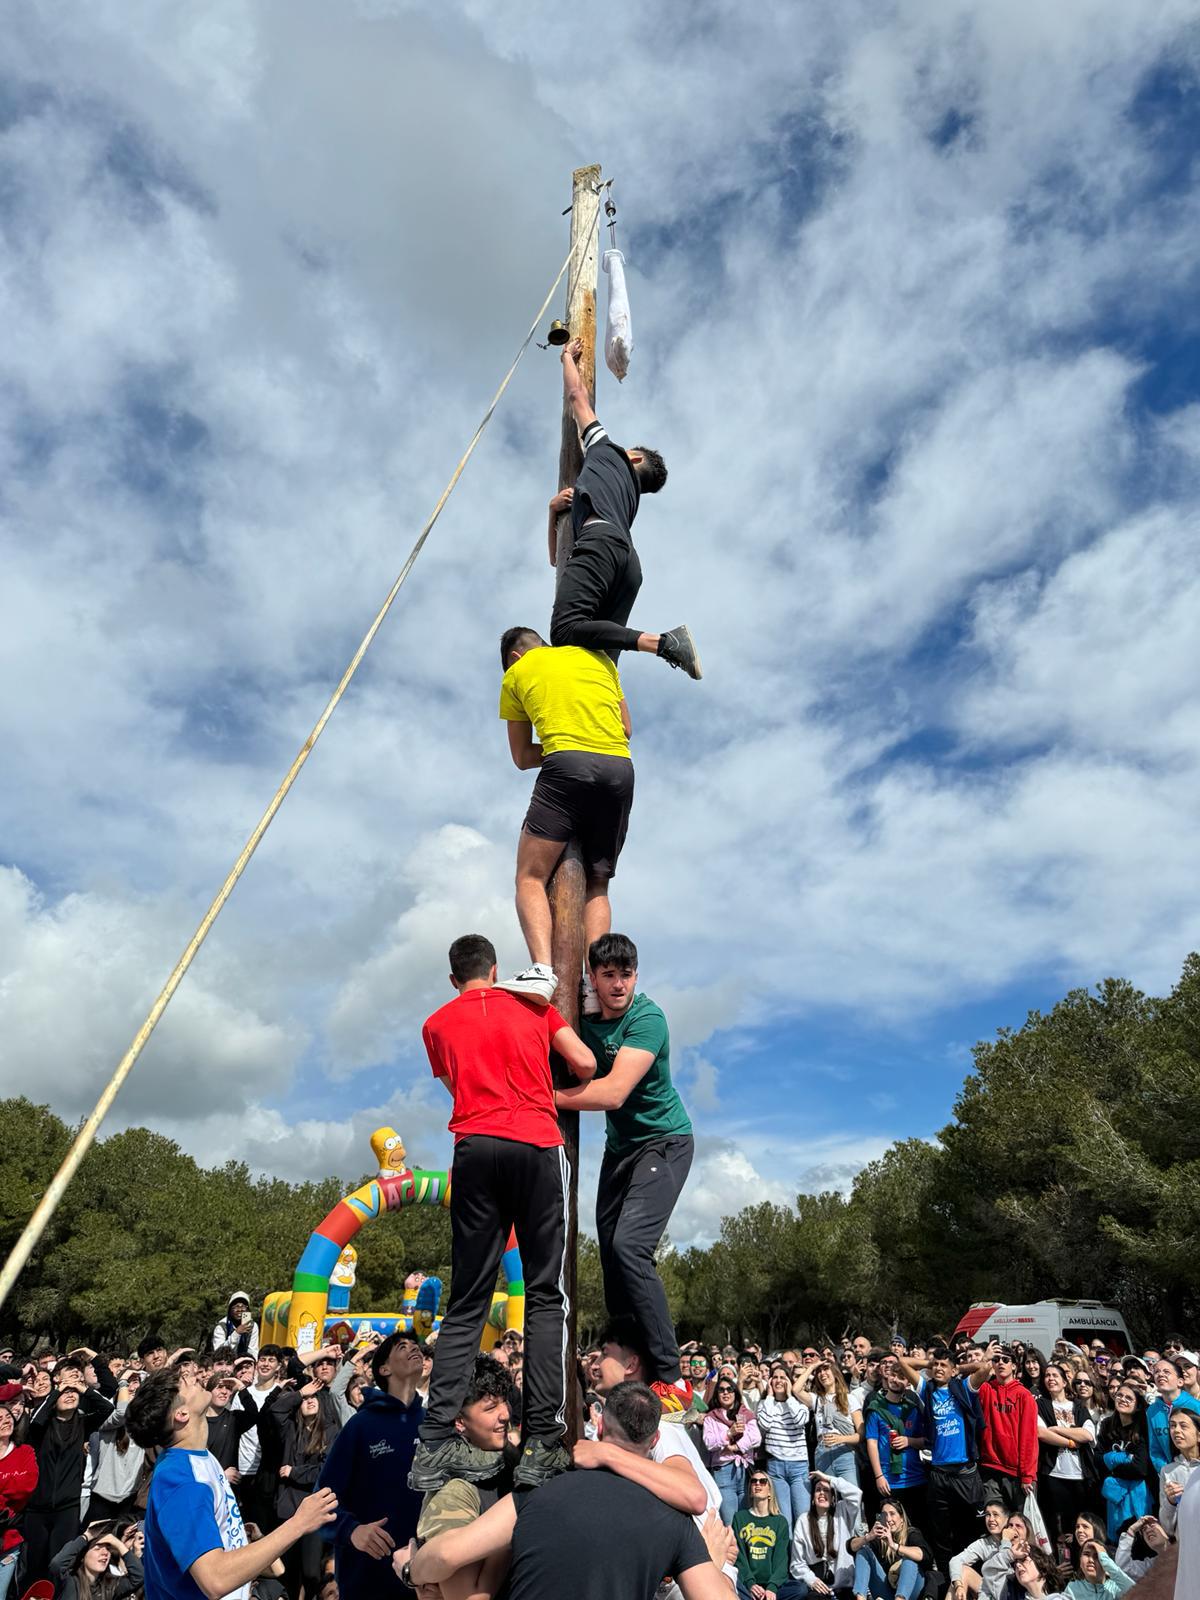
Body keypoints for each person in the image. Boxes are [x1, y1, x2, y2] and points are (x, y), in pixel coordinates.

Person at [409, 933, 596, 1492]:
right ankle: (542, 1439)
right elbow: (584, 1064)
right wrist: (544, 1089)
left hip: (473, 1148)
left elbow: (453, 1085)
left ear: (454, 978)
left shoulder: (436, 1024)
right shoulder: (532, 1006)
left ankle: (435, 1443)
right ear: (496, 969)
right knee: (544, 1293)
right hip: (536, 1143)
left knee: (467, 1301)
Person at [403, 1382, 731, 1600]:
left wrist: (409, 1569)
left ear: (600, 1425)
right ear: (654, 1441)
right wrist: (714, 1569)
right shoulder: (674, 1520)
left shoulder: (536, 1494)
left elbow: (446, 1555)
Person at [555, 932, 695, 1409]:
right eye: (608, 975)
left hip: (666, 1142)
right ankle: (628, 1361)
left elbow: (612, 1093)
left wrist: (542, 1098)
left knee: (630, 1246)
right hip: (622, 1150)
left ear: (637, 975)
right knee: (612, 1263)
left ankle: (672, 1376)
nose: (618, 985)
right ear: (592, 978)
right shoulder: (583, 1012)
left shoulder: (647, 1018)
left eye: (627, 974)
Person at [495, 626, 635, 1005]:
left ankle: (542, 971)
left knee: (530, 876)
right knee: (598, 883)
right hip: (620, 769)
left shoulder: (517, 672)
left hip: (566, 766)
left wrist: (566, 743)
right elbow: (626, 727)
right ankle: (593, 984)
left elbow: (522, 757)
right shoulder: (599, 659)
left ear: (514, 657)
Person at [548, 335, 700, 679]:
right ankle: (614, 724)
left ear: (633, 456)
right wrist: (552, 510)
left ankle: (663, 643)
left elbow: (577, 397)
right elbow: (557, 557)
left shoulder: (606, 450)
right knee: (600, 664)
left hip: (599, 543)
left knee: (565, 631)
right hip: (629, 564)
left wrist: (567, 359)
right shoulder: (627, 499)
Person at [125, 1363, 338, 1600]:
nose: (195, 1377)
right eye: (186, 1382)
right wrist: (299, 1523)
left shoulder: (200, 1459)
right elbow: (215, 1578)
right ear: (182, 1414)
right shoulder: (182, 1481)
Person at [315, 1332, 424, 1600]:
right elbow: (321, 1502)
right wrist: (352, 1531)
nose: (414, 1349)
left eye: (416, 1345)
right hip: (367, 1577)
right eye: (402, 1346)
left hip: (425, 1577)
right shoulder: (360, 1426)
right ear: (384, 1368)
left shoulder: (433, 1423)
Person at [24, 1355, 116, 1581]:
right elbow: (35, 1420)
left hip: (67, 1508)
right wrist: (59, 1389)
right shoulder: (42, 1425)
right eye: (65, 1392)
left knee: (59, 1566)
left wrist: (81, 1388)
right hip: (36, 1509)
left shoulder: (84, 1424)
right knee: (33, 1567)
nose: (70, 1394)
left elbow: (107, 1410)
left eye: (73, 1393)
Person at [901, 1342, 988, 1571]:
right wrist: (929, 1363)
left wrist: (958, 1367)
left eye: (944, 1366)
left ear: (953, 1370)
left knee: (969, 1528)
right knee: (941, 1532)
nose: (939, 1368)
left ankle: (970, 1577)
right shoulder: (926, 1389)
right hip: (938, 1473)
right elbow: (902, 1361)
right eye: (936, 1365)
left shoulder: (963, 1388)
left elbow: (984, 1368)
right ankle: (947, 1580)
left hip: (964, 1473)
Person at [1035, 1362, 1098, 1554]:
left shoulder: (1077, 1406)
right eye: (1047, 1375)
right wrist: (1071, 1442)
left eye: (1055, 1375)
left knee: (1080, 1527)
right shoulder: (1041, 1405)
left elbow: (1088, 1434)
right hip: (1054, 1474)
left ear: (1064, 1382)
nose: (1051, 1379)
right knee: (1056, 1529)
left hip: (1080, 1475)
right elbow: (1041, 1433)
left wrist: (1057, 1429)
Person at [861, 1356, 927, 1528]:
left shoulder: (913, 1408)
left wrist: (909, 1441)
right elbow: (872, 1443)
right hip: (887, 1480)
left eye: (901, 1377)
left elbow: (926, 1441)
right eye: (892, 1375)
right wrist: (879, 1476)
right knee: (888, 1527)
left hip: (914, 1478)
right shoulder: (876, 1408)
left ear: (908, 1382)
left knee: (914, 1527)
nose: (895, 1380)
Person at [978, 1347, 1039, 1512]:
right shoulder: (986, 1389)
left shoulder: (1024, 1396)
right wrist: (984, 1359)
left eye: (1005, 1360)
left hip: (1017, 1473)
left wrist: (1027, 1475)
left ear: (1014, 1366)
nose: (1000, 1363)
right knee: (994, 1520)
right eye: (996, 1360)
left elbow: (1029, 1438)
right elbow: (971, 1381)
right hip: (990, 1467)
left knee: (1020, 1525)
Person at [790, 1470, 865, 1599]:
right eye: (818, 1490)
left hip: (845, 1586)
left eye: (826, 1490)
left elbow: (856, 1493)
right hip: (819, 1587)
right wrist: (811, 1579)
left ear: (833, 1498)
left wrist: (828, 1478)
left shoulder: (843, 1512)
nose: (822, 1493)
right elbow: (797, 1563)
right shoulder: (803, 1520)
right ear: (813, 1498)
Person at [757, 1365, 813, 1529]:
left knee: (803, 1518)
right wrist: (768, 1397)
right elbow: (764, 1424)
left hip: (799, 1466)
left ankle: (803, 1554)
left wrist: (789, 1396)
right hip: (776, 1467)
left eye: (783, 1377)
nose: (779, 1381)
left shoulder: (800, 1403)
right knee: (783, 1520)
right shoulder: (764, 1404)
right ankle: (787, 1554)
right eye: (775, 1377)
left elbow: (799, 1421)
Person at [847, 1496, 933, 1600]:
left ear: (901, 1518)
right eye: (884, 1515)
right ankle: (861, 1597)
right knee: (863, 1550)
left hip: (912, 1592)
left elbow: (924, 1554)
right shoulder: (879, 1538)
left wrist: (894, 1545)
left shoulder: (912, 1533)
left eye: (892, 1514)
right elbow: (850, 1546)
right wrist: (868, 1537)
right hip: (886, 1593)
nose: (888, 1519)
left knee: (909, 1560)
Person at [1096, 1385, 1152, 1540]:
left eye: (1129, 1398)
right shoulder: (1107, 1424)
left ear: (1138, 1404)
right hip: (1113, 1494)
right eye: (1119, 1395)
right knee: (1117, 1539)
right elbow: (1098, 1459)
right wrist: (1122, 1458)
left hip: (1137, 1494)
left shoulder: (1143, 1427)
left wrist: (1111, 1462)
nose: (1122, 1400)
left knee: (1138, 1539)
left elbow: (1140, 1468)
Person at [703, 1379, 761, 1525]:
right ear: (716, 1394)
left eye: (729, 1389)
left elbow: (756, 1437)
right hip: (724, 1471)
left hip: (745, 1470)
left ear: (735, 1392)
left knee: (747, 1521)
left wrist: (737, 1447)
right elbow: (709, 1443)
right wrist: (729, 1433)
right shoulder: (711, 1417)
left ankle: (743, 1548)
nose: (726, 1392)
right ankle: (733, 1548)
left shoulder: (745, 1413)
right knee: (730, 1522)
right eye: (721, 1390)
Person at [732, 1469, 793, 1600]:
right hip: (748, 1583)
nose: (757, 1484)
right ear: (750, 1490)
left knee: (800, 1589)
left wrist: (772, 1587)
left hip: (772, 1584)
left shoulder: (780, 1521)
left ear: (770, 1492)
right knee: (730, 1584)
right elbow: (739, 1556)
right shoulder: (740, 1518)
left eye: (763, 1481)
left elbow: (782, 1560)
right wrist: (750, 1584)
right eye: (753, 1481)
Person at [0, 1402, 37, 1600]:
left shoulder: (25, 1452)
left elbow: (27, 1487)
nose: (6, 1421)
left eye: (8, 1417)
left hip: (8, 1542)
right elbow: (15, 1487)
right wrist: (9, 1482)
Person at [49, 1529, 144, 1600]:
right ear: (82, 1557)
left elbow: (139, 1576)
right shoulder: (70, 1580)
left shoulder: (110, 1586)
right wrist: (86, 1536)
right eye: (97, 1549)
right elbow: (56, 1564)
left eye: (108, 1549)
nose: (105, 1553)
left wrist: (118, 1543)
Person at [948, 1499, 1008, 1600]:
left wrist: (1006, 1540)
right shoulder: (984, 1543)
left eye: (995, 1514)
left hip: (1013, 1592)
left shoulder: (1016, 1536)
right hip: (993, 1592)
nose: (991, 1519)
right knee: (961, 1572)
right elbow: (955, 1561)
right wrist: (958, 1586)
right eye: (988, 1515)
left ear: (1006, 1519)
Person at [1159, 1400, 1200, 1536]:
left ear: (1198, 1435)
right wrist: (1170, 1502)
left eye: (1183, 1426)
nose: (1176, 1430)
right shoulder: (1168, 1471)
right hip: (1186, 1547)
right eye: (1172, 1426)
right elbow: (1167, 1527)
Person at [1146, 1364, 1185, 1482]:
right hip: (1171, 1478)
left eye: (1167, 1371)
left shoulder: (1195, 1406)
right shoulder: (1152, 1411)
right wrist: (1167, 1474)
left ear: (1180, 1382)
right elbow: (1155, 1449)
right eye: (1157, 1371)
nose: (1161, 1374)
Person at [1063, 1537, 1134, 1599]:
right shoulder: (1072, 1588)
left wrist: (1105, 1561)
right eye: (1086, 1554)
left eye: (1097, 1556)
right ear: (1080, 1562)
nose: (1090, 1560)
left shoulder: (1116, 1588)